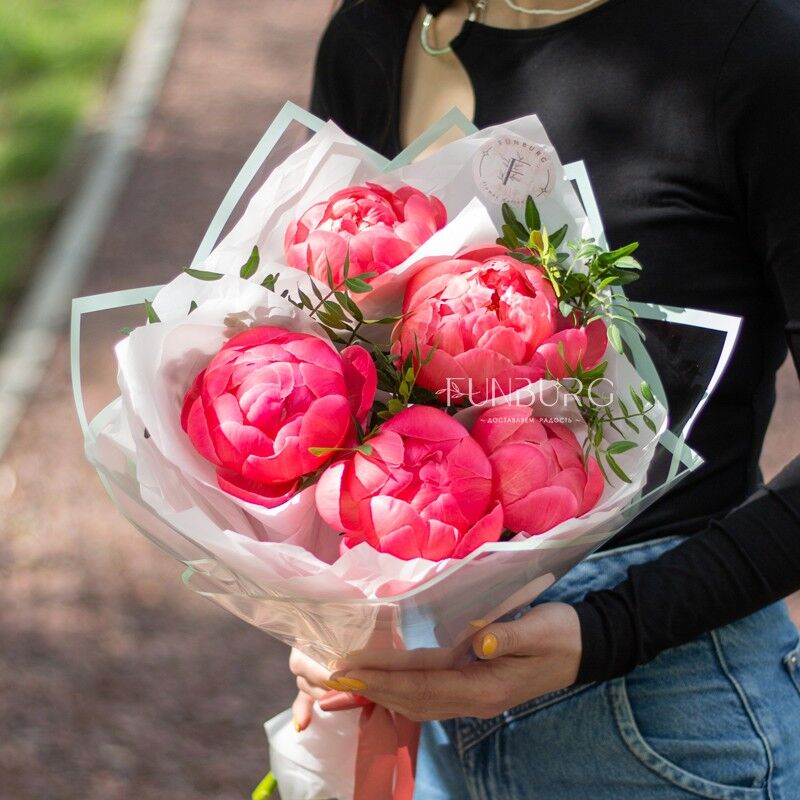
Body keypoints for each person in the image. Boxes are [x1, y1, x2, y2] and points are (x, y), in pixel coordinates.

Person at [290, 0, 800, 796]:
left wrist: (607, 631)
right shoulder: (374, 31)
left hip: (660, 713)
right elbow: (332, 365)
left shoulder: (756, 47)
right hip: (411, 706)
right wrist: (320, 605)